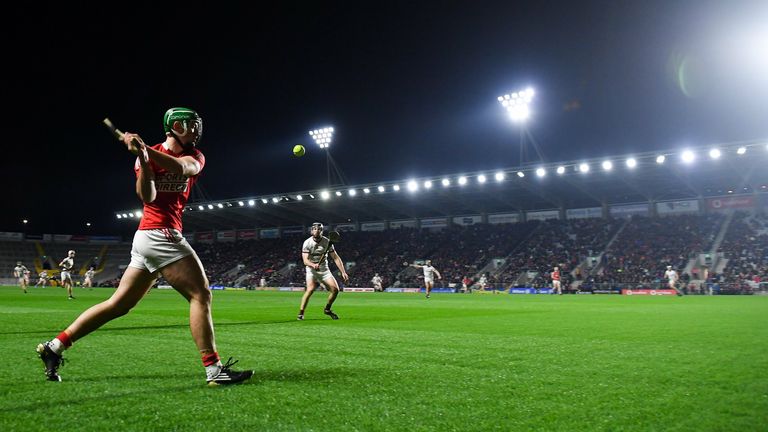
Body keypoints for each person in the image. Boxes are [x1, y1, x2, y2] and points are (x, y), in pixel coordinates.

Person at [36, 107, 252, 386]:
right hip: (158, 233)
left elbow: (184, 168)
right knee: (201, 294)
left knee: (118, 304)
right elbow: (147, 196)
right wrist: (143, 157)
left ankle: (55, 346)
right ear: (176, 126)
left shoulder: (195, 155)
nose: (198, 129)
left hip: (149, 237)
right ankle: (214, 370)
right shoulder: (146, 157)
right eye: (192, 124)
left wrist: (146, 150)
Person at [298, 222, 349, 320]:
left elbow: (335, 257)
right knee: (310, 289)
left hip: (324, 269)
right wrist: (313, 265)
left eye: (319, 229)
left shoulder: (327, 242)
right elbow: (305, 260)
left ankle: (327, 309)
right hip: (311, 269)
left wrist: (343, 272)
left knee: (335, 290)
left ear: (322, 231)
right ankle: (301, 313)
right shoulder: (307, 243)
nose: (317, 231)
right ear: (311, 230)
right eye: (315, 229)